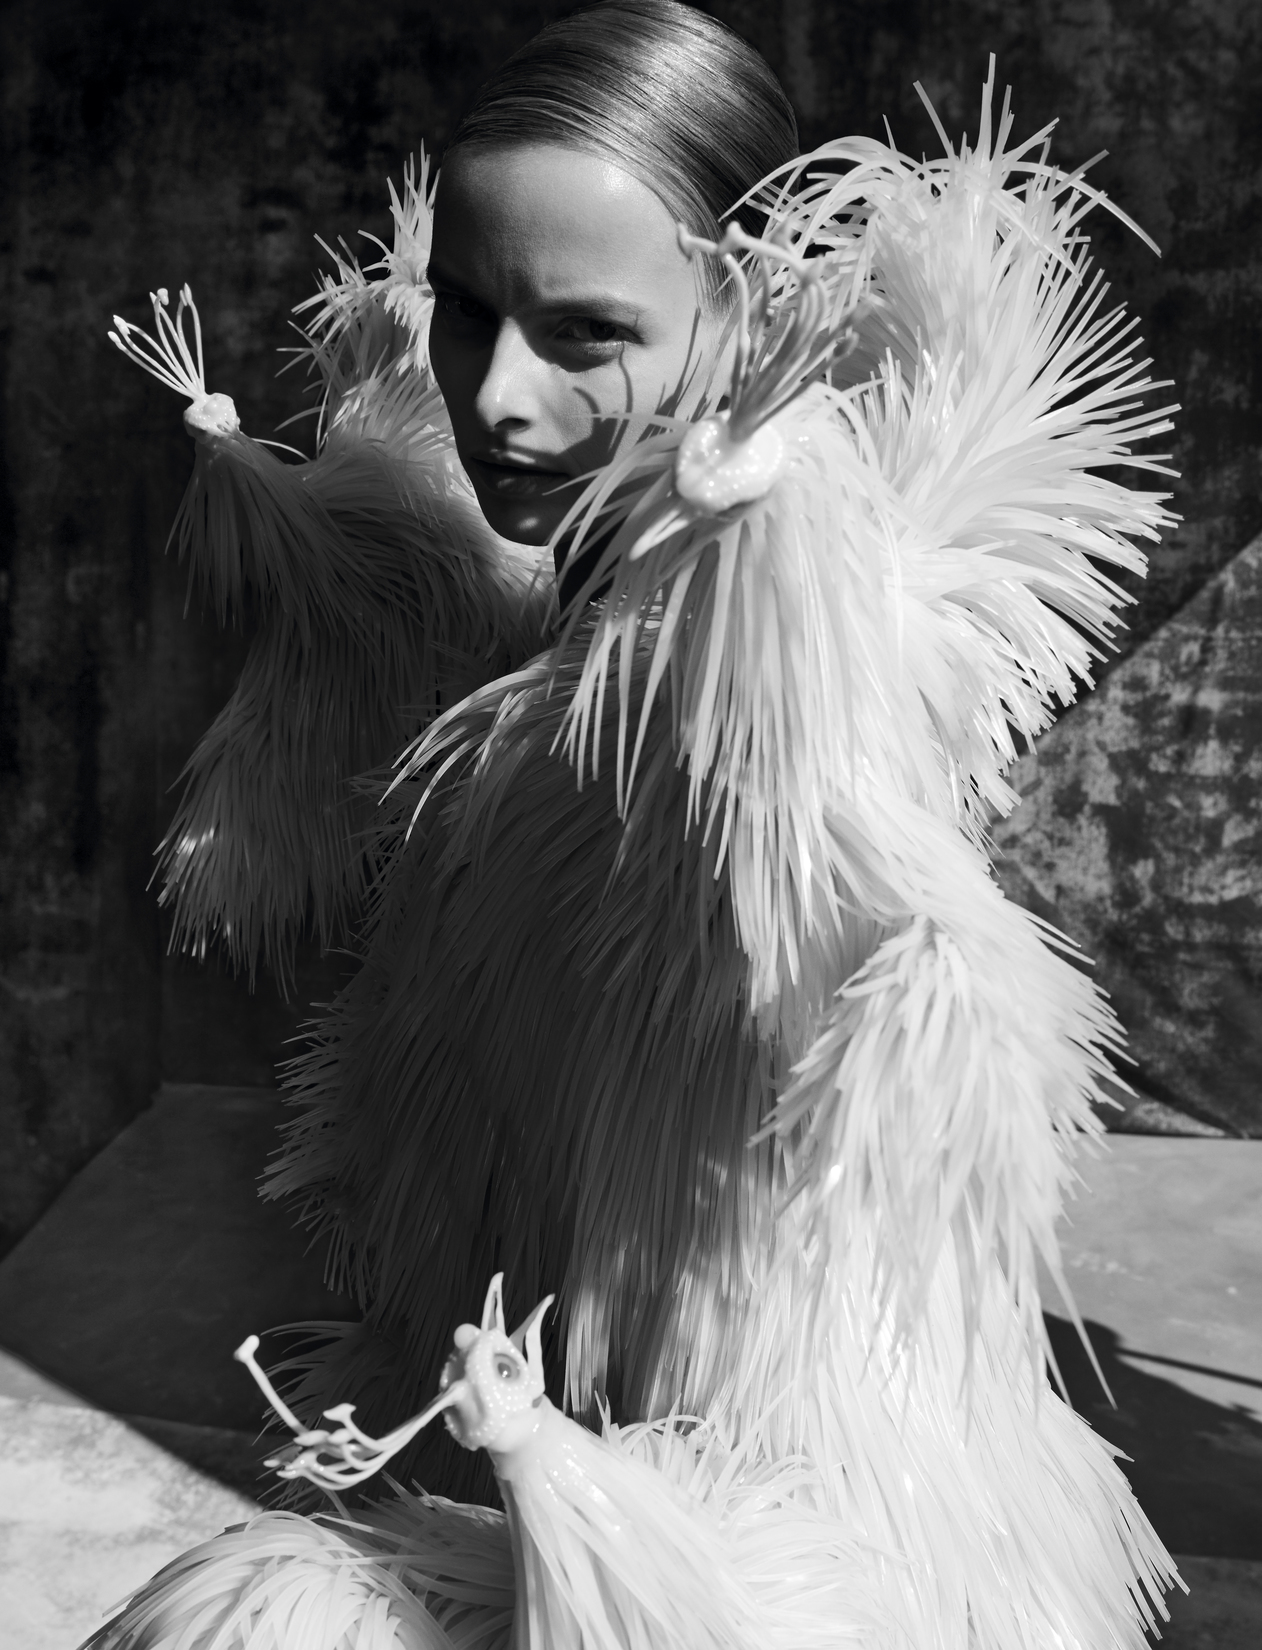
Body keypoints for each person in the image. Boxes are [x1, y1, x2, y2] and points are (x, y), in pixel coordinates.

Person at [96, 3, 1180, 1647]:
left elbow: (892, 929)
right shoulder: (529, 636)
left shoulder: (810, 649)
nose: (498, 398)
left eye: (584, 331)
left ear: (739, 314)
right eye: (468, 313)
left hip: (797, 1515)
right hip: (538, 1409)